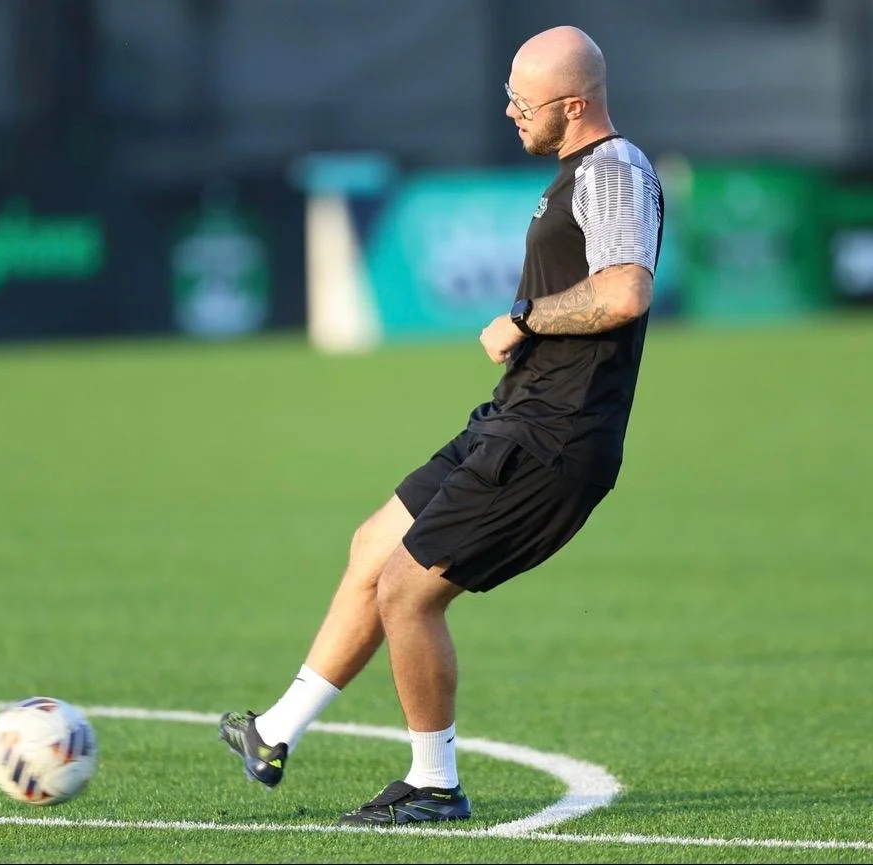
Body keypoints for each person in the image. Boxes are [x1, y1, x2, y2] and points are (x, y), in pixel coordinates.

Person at [219, 23, 665, 826]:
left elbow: (626, 292)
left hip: (554, 440)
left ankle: (433, 785)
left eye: (522, 103)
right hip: (513, 418)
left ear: (574, 104)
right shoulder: (571, 173)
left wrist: (525, 316)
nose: (509, 113)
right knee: (372, 546)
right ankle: (275, 730)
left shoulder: (613, 170)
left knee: (407, 592)